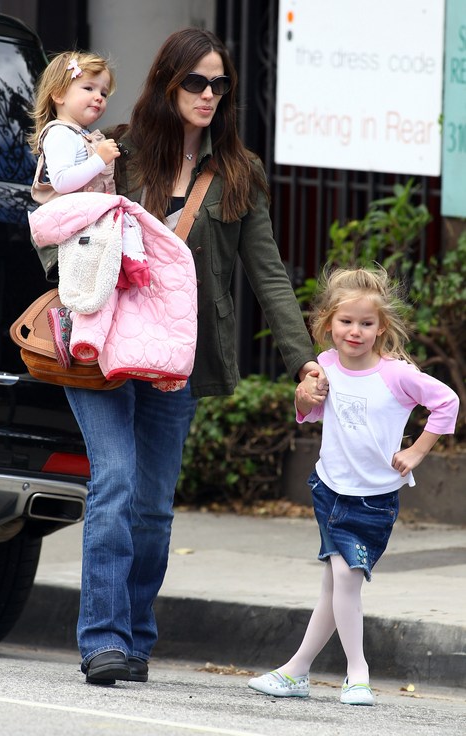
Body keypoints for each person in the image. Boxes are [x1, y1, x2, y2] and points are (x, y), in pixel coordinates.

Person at [62, 28, 328, 686]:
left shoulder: (238, 173)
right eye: (196, 82)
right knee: (116, 483)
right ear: (168, 82)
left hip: (174, 357)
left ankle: (136, 634)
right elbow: (61, 222)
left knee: (152, 506)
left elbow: (267, 275)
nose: (209, 94)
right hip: (104, 343)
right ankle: (102, 639)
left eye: (220, 84)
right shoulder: (118, 150)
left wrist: (303, 361)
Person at [248, 266, 459, 706]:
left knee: (344, 578)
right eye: (346, 322)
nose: (356, 331)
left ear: (381, 326)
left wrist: (417, 451)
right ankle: (297, 672)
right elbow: (310, 410)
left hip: (373, 499)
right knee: (335, 584)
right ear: (328, 323)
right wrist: (303, 398)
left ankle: (356, 671)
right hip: (329, 489)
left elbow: (447, 402)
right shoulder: (322, 365)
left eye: (366, 323)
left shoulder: (396, 374)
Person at [28, 51, 149, 369]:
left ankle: (88, 332)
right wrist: (100, 159)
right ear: (58, 94)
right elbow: (65, 181)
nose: (98, 98)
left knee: (96, 278)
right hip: (64, 228)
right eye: (89, 89)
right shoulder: (58, 134)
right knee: (84, 279)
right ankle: (67, 324)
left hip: (81, 227)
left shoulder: (82, 136)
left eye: (103, 93)